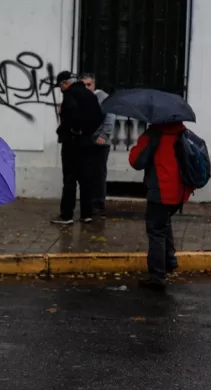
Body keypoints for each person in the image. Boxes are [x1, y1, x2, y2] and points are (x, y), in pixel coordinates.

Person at [129, 122, 192, 290]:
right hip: (179, 191)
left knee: (156, 230)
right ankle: (169, 261)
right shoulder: (181, 132)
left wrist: (140, 143)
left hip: (161, 191)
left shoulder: (154, 135)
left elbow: (136, 161)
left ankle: (157, 276)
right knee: (163, 222)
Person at [51, 71, 104, 225]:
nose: (61, 89)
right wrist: (88, 131)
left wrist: (75, 128)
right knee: (86, 178)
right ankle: (87, 214)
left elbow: (71, 114)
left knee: (70, 179)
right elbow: (100, 116)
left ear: (65, 83)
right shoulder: (90, 95)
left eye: (61, 86)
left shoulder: (69, 95)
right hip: (87, 141)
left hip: (72, 143)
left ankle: (66, 215)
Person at [80, 73, 116, 219]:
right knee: (87, 173)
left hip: (100, 142)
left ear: (94, 84)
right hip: (87, 140)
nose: (86, 87)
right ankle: (90, 205)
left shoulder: (102, 97)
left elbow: (110, 115)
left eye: (89, 84)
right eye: (83, 85)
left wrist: (104, 135)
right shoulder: (82, 98)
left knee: (98, 174)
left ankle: (99, 206)